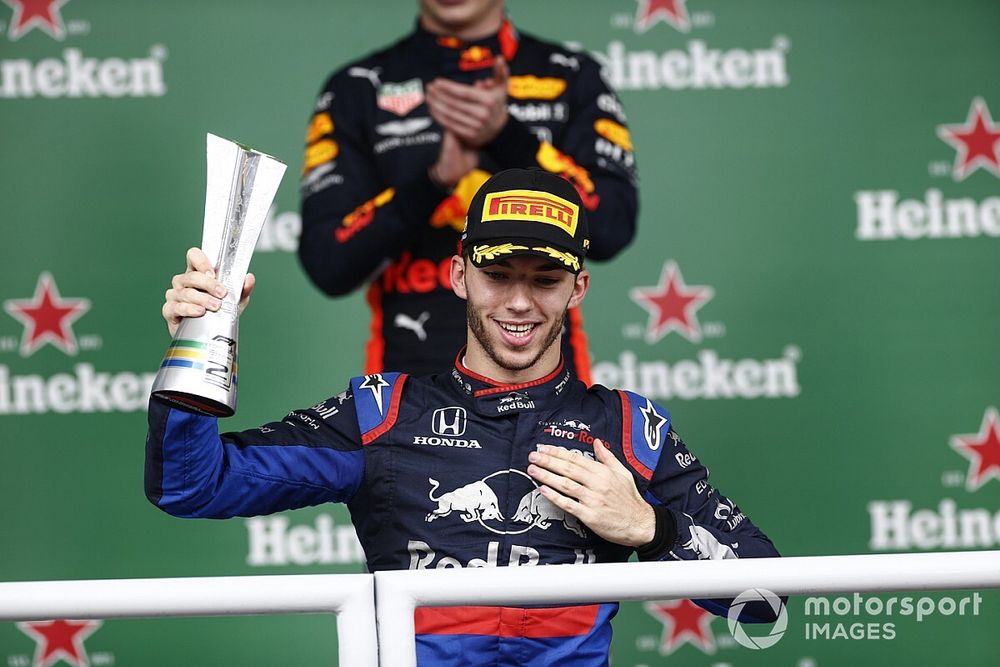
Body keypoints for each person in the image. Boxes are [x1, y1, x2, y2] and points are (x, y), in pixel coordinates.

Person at [149, 169, 778, 665]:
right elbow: (191, 484)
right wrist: (195, 345)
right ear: (458, 276)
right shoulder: (381, 413)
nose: (521, 302)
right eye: (498, 275)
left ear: (578, 289)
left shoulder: (625, 427)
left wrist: (650, 528)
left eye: (545, 279)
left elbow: (765, 600)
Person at [298, 0, 638, 379]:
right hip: (405, 391)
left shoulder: (574, 76)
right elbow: (327, 263)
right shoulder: (357, 87)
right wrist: (433, 181)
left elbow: (612, 226)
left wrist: (508, 138)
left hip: (552, 390)